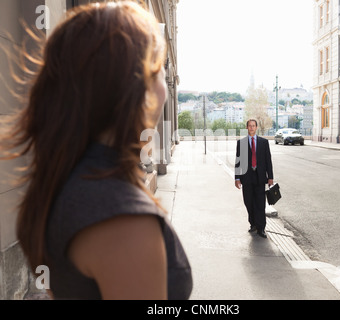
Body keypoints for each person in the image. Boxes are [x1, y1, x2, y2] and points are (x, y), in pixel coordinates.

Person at [0, 1, 192, 300]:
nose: (163, 88)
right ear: (131, 87)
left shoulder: (62, 181)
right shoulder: (120, 217)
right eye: (157, 70)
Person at [235, 119, 274, 238]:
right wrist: (237, 178)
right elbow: (238, 161)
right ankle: (253, 224)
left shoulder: (264, 142)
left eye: (253, 126)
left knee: (260, 204)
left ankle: (261, 228)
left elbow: (268, 160)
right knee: (248, 202)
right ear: (247, 127)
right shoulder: (241, 143)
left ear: (256, 127)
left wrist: (270, 177)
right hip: (246, 178)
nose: (251, 128)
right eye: (249, 126)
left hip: (260, 177)